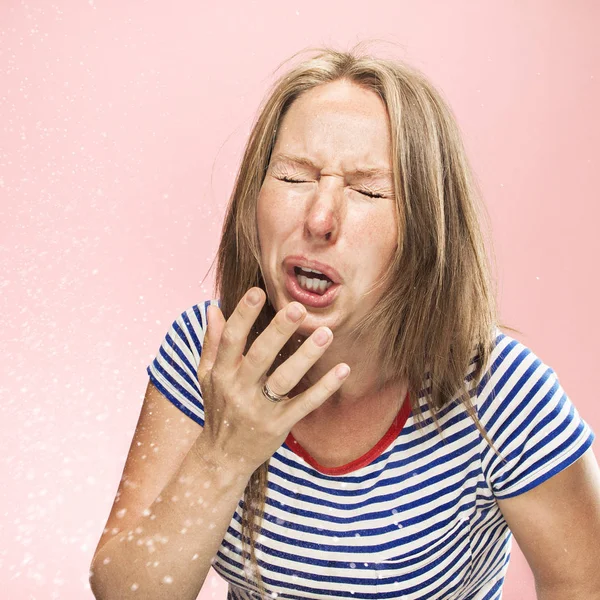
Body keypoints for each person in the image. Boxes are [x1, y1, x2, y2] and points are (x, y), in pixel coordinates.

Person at [89, 47, 600, 600]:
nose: (319, 218)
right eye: (293, 176)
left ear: (426, 228)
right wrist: (224, 452)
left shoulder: (502, 393)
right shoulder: (206, 349)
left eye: (368, 190)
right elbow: (127, 592)